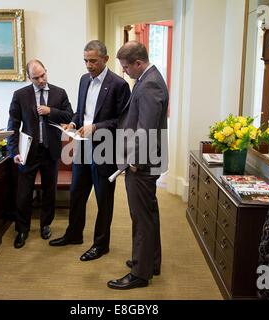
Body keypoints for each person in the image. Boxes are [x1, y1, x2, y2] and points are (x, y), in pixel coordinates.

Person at [48, 40, 130, 261]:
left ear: (105, 59)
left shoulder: (119, 85)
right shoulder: (84, 80)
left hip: (105, 148)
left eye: (93, 61)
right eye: (85, 60)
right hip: (82, 145)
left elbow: (122, 122)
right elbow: (80, 112)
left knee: (103, 199)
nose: (88, 65)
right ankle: (74, 234)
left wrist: (96, 127)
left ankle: (101, 245)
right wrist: (73, 124)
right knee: (77, 193)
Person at [107, 41, 169, 290]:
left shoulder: (149, 83)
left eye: (125, 67)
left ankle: (140, 274)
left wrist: (135, 160)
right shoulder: (147, 78)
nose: (124, 72)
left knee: (140, 217)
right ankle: (150, 262)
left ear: (138, 63)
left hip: (141, 164)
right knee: (149, 214)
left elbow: (147, 127)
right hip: (146, 160)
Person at [8, 59, 73, 249]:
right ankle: (22, 229)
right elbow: (13, 126)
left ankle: (46, 224)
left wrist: (50, 111)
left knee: (49, 190)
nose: (41, 80)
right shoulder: (20, 95)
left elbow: (69, 115)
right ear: (29, 78)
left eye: (43, 75)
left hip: (50, 151)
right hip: (28, 152)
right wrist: (14, 152)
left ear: (46, 71)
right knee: (24, 193)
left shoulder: (59, 93)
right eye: (36, 78)